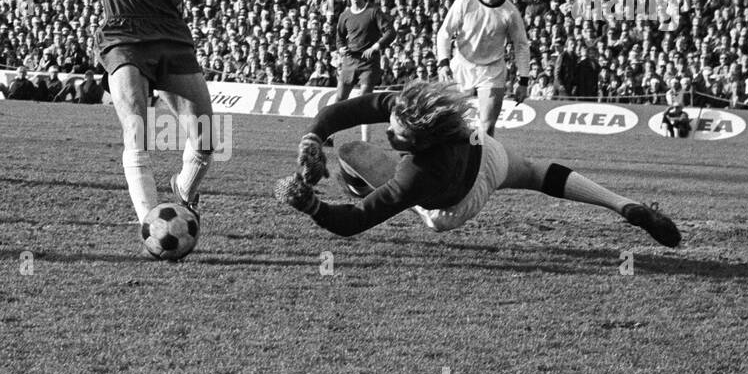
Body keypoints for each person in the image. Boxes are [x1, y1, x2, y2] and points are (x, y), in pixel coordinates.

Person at [0, 0, 329, 236]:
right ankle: (151, 224)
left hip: (170, 36)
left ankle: (183, 189)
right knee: (136, 122)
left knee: (205, 138)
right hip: (122, 35)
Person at [274, 80, 680, 247]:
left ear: (423, 141)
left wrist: (310, 205)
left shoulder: (416, 171)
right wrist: (313, 135)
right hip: (485, 151)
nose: (388, 133)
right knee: (538, 172)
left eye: (398, 136)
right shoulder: (413, 108)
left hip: (454, 203)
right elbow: (344, 110)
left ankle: (381, 191)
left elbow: (353, 222)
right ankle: (624, 205)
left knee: (361, 168)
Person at [436, 0, 531, 136]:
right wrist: (443, 63)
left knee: (487, 126)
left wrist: (523, 81)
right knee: (448, 121)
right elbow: (445, 32)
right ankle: (450, 159)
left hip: (491, 70)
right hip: (462, 64)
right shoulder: (466, 0)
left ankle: (483, 162)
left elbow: (521, 46)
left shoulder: (509, 12)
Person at [334, 0, 394, 142]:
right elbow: (339, 38)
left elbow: (390, 32)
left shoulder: (373, 12)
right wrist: (341, 49)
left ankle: (365, 141)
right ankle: (329, 135)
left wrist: (376, 46)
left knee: (364, 100)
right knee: (340, 98)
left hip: (368, 63)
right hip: (349, 62)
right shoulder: (345, 15)